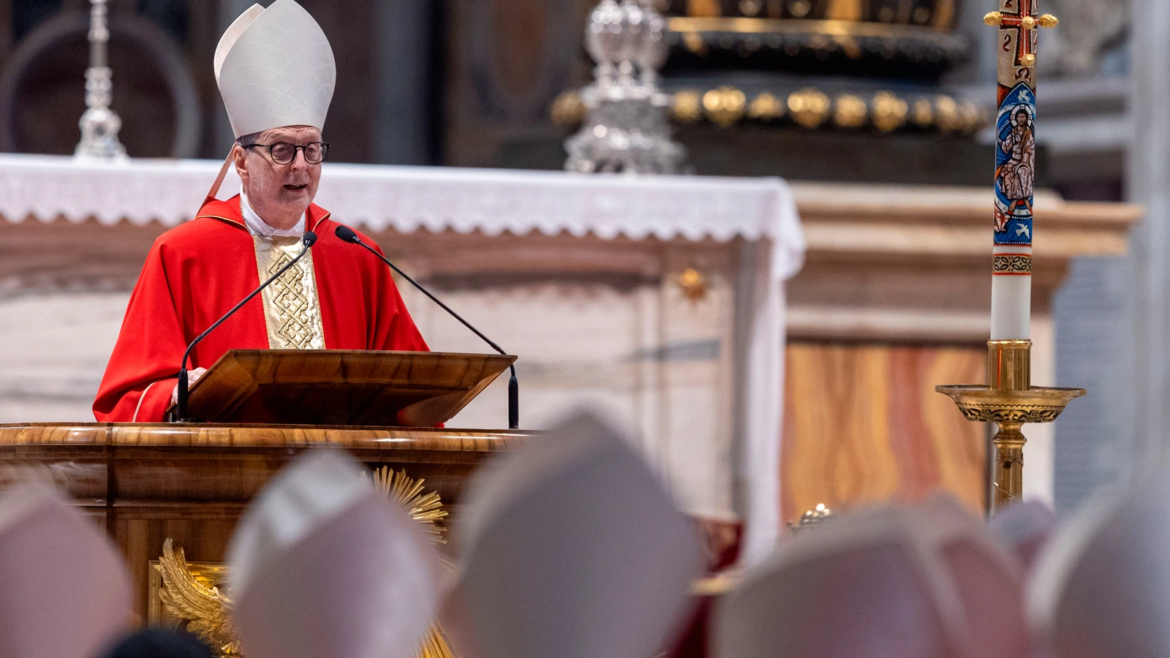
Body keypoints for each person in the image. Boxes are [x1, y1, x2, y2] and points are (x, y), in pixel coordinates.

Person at [94, 0, 428, 422]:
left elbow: (417, 391)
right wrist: (181, 391)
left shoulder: (356, 254)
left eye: (312, 149)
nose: (301, 166)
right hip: (223, 476)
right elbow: (127, 400)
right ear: (240, 161)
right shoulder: (183, 253)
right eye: (282, 150)